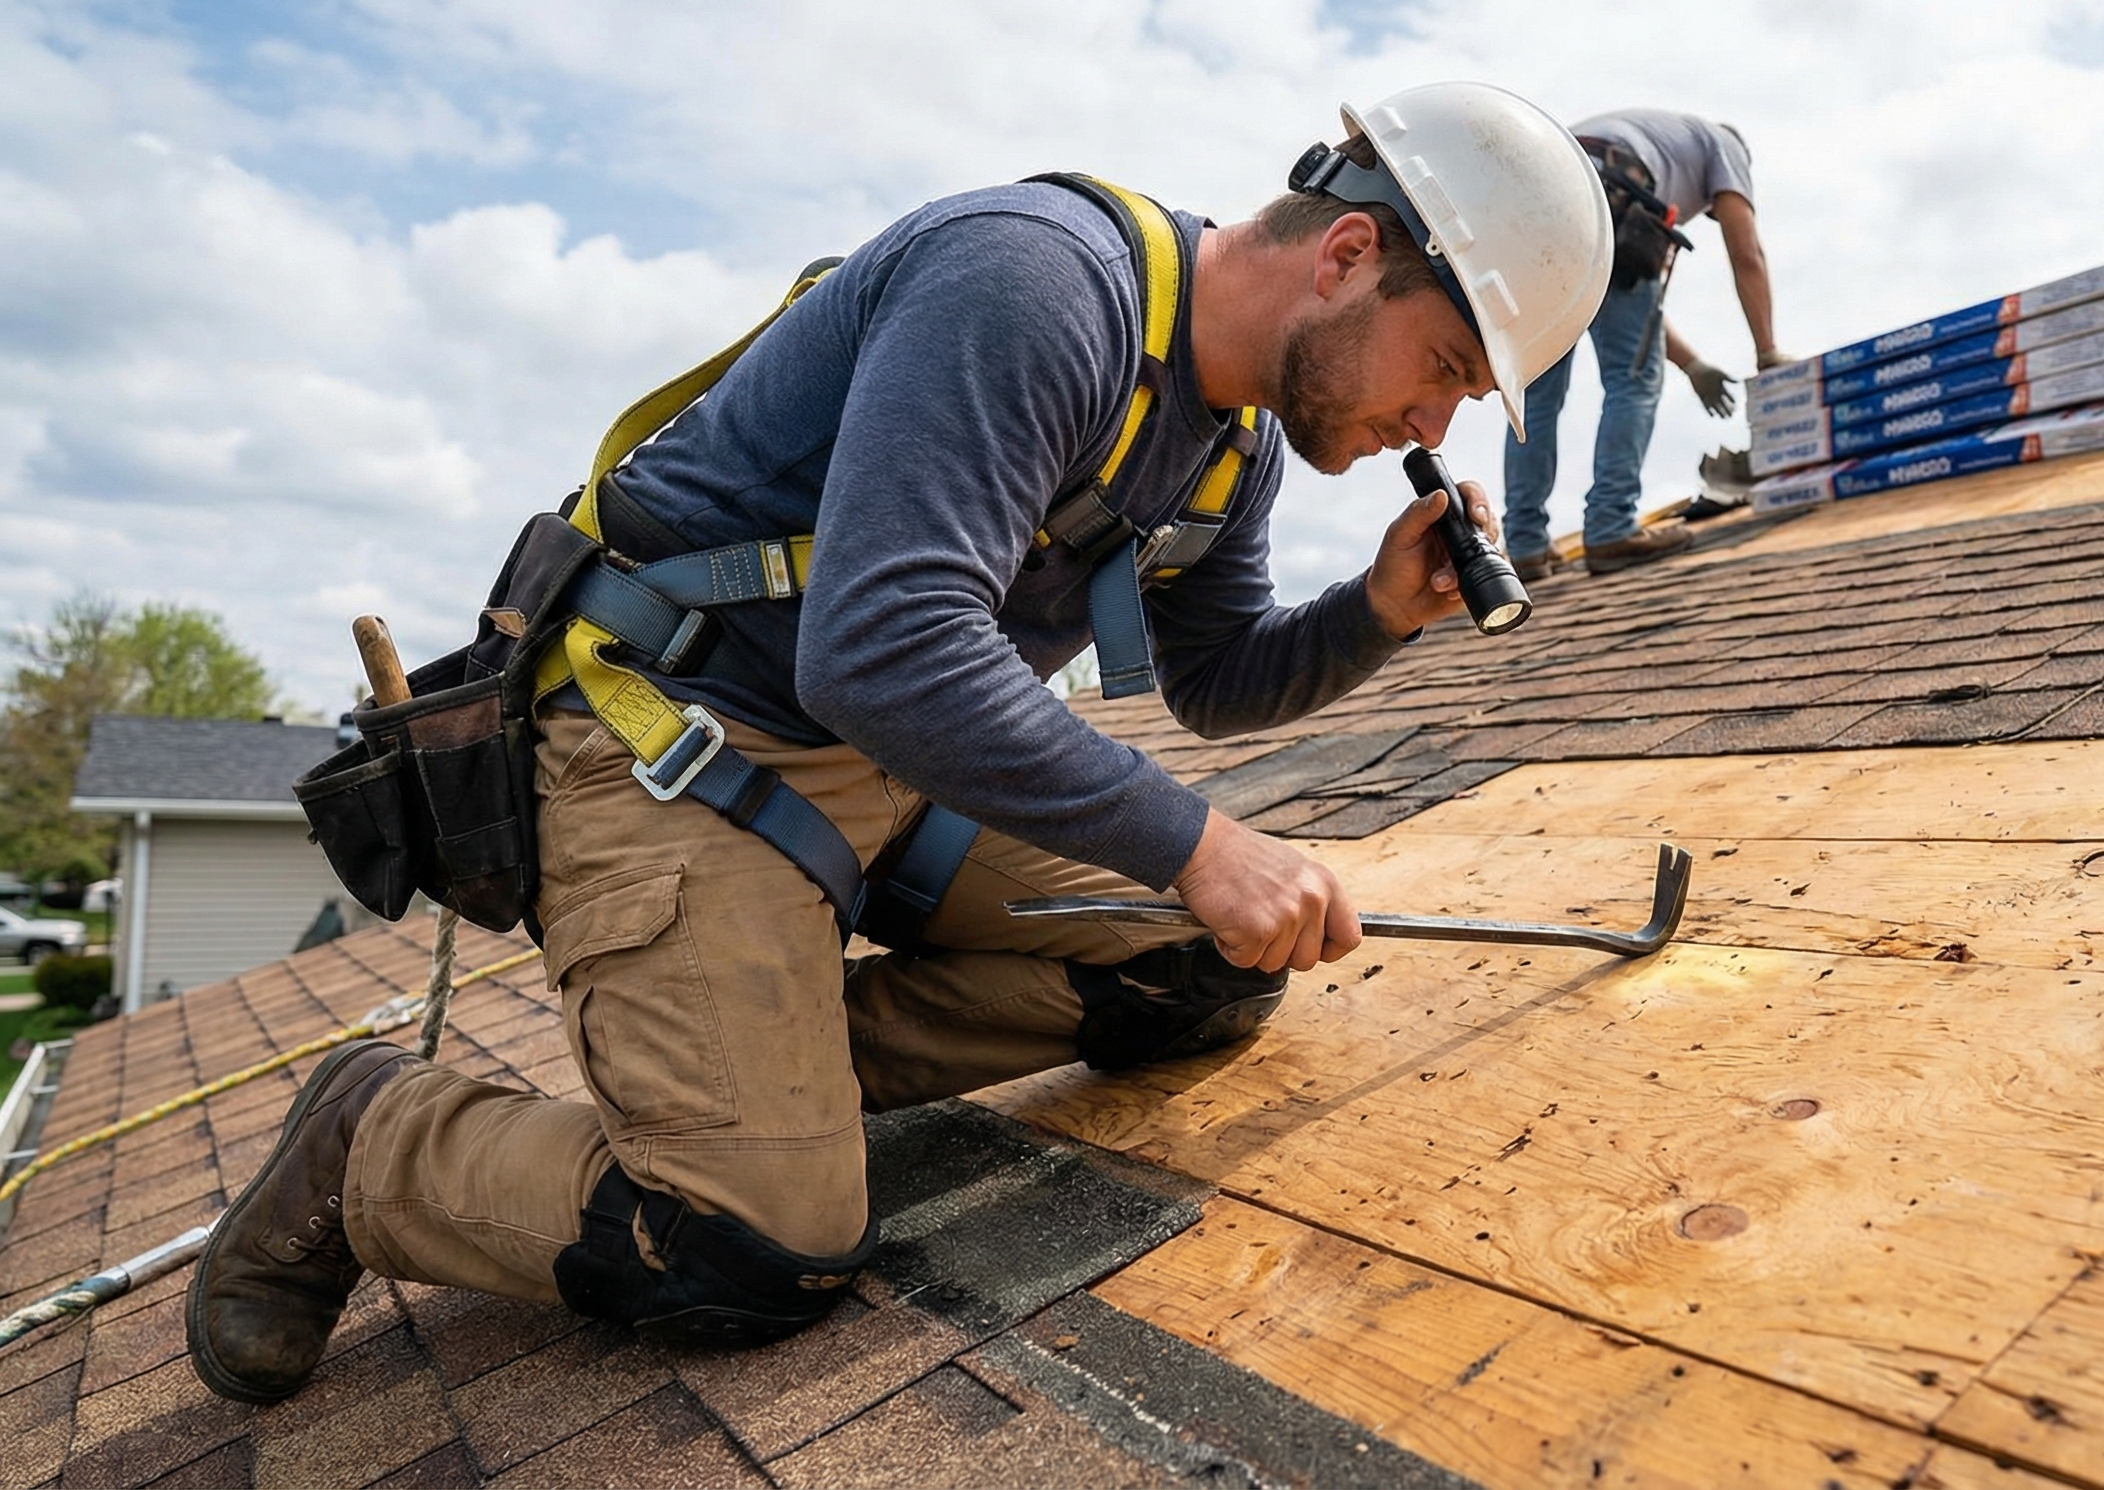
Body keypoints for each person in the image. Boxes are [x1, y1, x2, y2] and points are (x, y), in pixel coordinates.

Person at [186, 82, 1612, 1403]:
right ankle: (375, 1146)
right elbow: (882, 646)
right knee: (755, 1244)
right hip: (677, 744)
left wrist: (1374, 611)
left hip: (882, 763)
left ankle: (755, 1069)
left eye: (1461, 402)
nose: (1431, 420)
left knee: (1200, 963)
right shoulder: (1039, 285)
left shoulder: (1224, 441)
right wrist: (1200, 838)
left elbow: (1218, 683)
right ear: (1348, 252)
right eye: (1440, 365)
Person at [1502, 108, 1792, 578]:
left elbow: (1635, 312)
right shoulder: (1727, 146)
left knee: (1538, 392)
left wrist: (1693, 365)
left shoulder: (1662, 141)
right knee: (1632, 383)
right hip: (1605, 198)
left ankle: (1527, 547)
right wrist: (1767, 352)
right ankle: (1612, 527)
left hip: (1531, 208)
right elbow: (1747, 253)